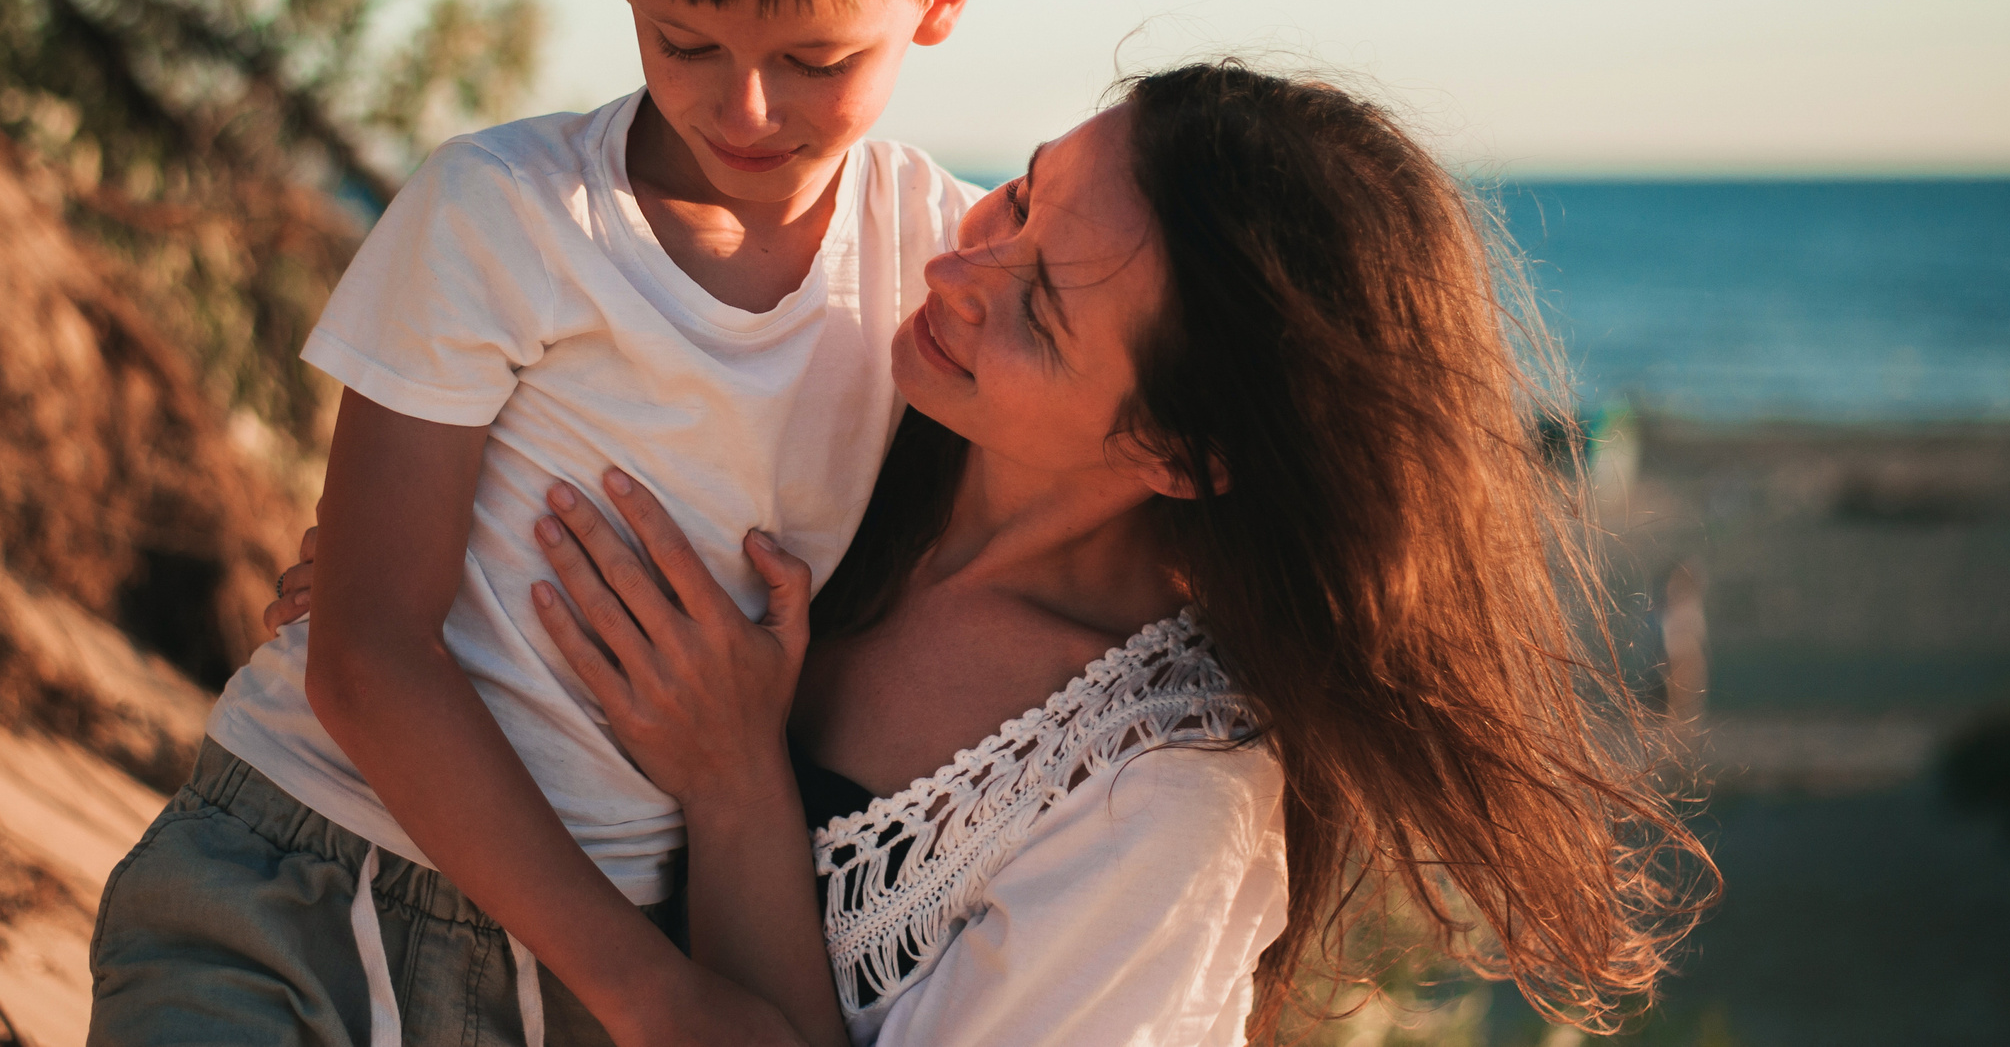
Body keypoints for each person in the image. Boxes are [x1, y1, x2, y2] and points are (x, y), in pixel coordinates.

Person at [275, 62, 1713, 1045]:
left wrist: (736, 787)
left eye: (1040, 313)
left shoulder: (1158, 810)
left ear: (1181, 455)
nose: (955, 277)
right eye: (1020, 197)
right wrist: (428, 583)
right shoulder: (851, 394)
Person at [87, 0, 987, 1047]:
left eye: (817, 59)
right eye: (682, 38)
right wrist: (656, 991)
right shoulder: (500, 215)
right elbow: (365, 655)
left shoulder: (947, 274)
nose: (745, 109)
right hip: (305, 875)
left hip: (593, 969)